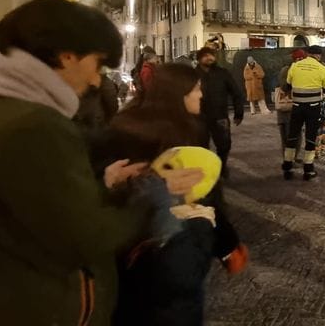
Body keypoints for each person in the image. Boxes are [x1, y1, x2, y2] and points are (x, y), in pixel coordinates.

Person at [0, 0, 201, 324]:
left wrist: (104, 186)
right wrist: (153, 195)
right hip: (23, 308)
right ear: (66, 56)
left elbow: (33, 209)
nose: (95, 81)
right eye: (97, 65)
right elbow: (87, 238)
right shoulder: (30, 124)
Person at [92, 63, 247, 325]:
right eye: (196, 90)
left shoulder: (125, 122)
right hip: (171, 243)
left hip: (125, 248)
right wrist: (228, 245)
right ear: (179, 93)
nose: (201, 95)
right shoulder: (182, 132)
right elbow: (203, 193)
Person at [283, 44, 325, 180]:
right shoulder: (322, 68)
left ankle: (287, 166)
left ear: (307, 53)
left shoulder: (295, 66)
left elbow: (287, 85)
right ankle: (308, 169)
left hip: (297, 106)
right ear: (319, 55)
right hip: (313, 107)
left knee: (292, 135)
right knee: (310, 137)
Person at [196, 47, 245, 178]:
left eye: (211, 55)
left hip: (220, 116)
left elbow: (236, 93)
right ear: (199, 58)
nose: (209, 58)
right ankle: (205, 170)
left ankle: (221, 166)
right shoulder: (193, 75)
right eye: (205, 55)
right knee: (200, 146)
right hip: (198, 118)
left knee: (224, 145)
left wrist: (238, 112)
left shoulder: (222, 73)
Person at [75, 69, 121, 135]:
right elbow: (112, 104)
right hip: (95, 123)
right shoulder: (102, 79)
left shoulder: (72, 77)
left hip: (78, 122)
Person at [275, 50, 305, 151]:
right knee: (288, 135)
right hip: (287, 107)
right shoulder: (286, 70)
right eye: (299, 59)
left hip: (297, 106)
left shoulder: (301, 69)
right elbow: (284, 87)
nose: (301, 61)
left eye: (302, 59)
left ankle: (294, 156)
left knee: (297, 133)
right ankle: (289, 158)